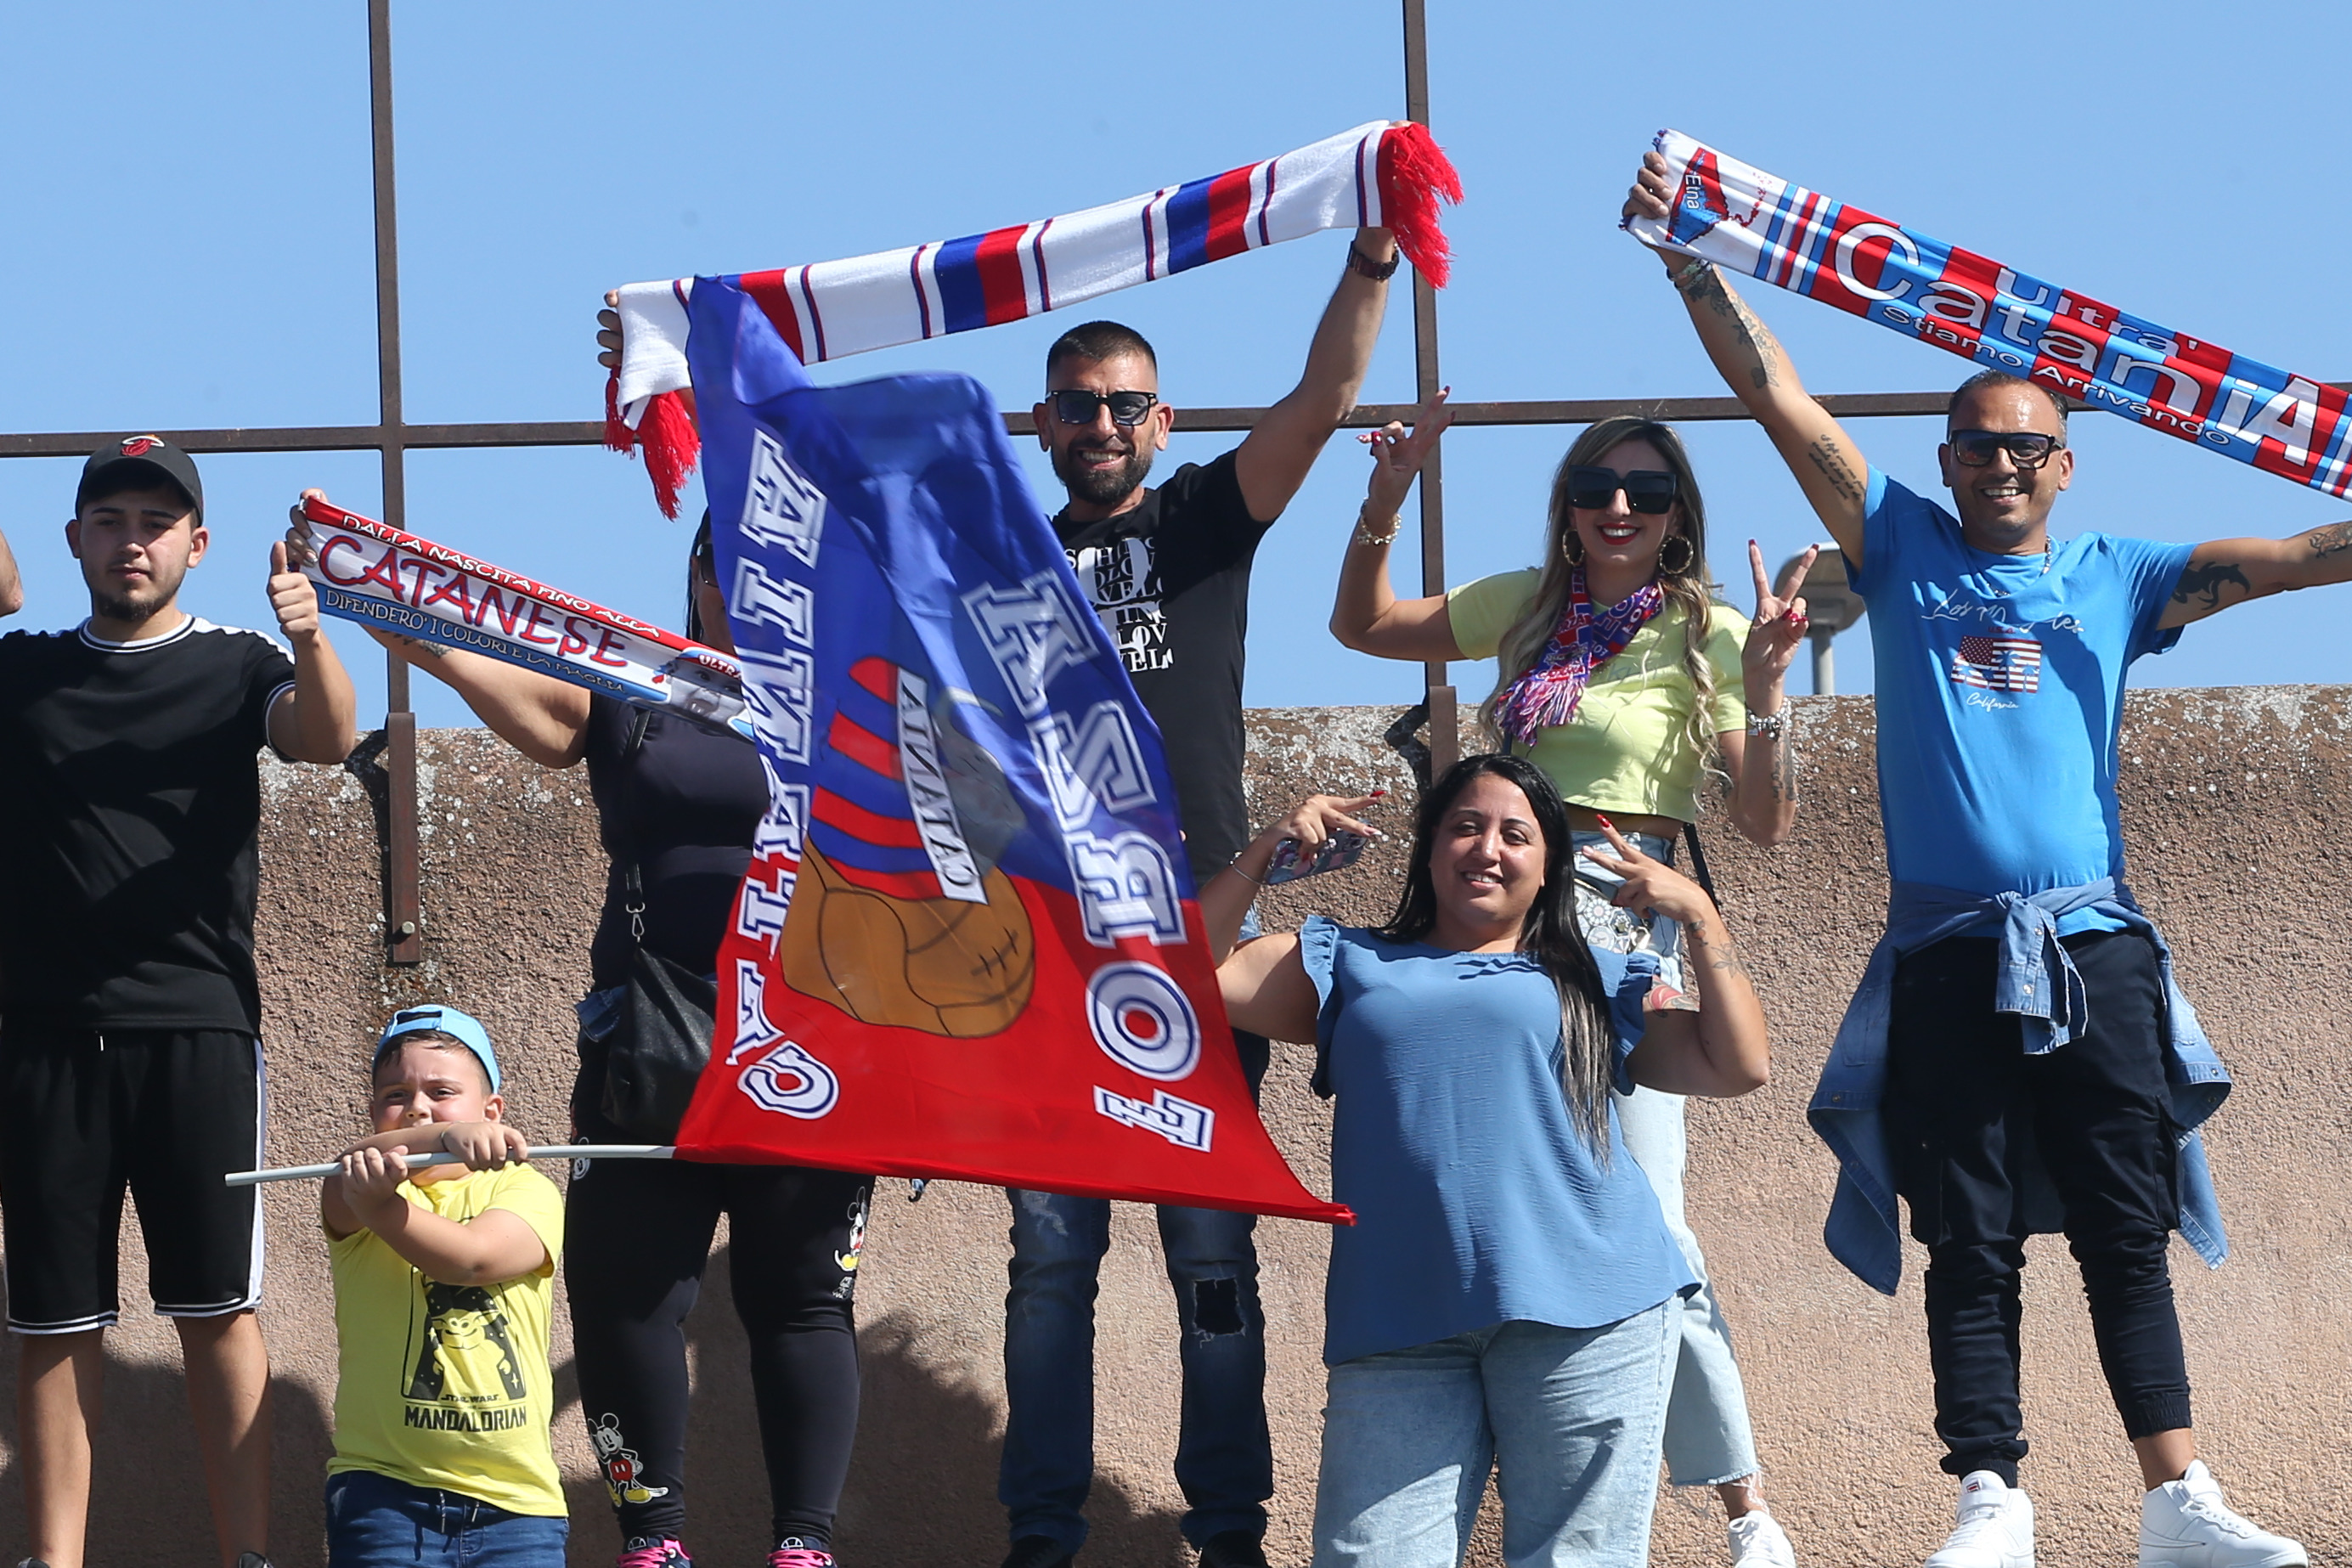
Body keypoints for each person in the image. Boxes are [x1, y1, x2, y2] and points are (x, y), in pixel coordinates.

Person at [1627, 151, 2350, 1568]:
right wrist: (1689, 261)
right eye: (1977, 444)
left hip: (2094, 948)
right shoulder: (1899, 547)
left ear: (2062, 463)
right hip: (1946, 952)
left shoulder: (2122, 575)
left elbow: (2295, 554)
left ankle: (2173, 1502)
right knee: (1963, 1236)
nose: (2002, 463)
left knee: (2119, 1225)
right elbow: (1777, 401)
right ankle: (1987, 1500)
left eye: (2027, 445)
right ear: (1945, 458)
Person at [296, 499, 871, 1568]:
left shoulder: (862, 706)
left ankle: (805, 1547)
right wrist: (413, 630)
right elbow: (548, 717)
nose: (742, 585)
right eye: (723, 563)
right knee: (626, 1294)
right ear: (696, 577)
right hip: (650, 1043)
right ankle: (654, 1543)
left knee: (800, 1297)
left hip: (811, 1040)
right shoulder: (640, 687)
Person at [1329, 397, 1816, 1568]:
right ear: (1567, 505)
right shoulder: (1526, 608)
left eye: (1646, 493)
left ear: (1676, 516)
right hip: (1505, 935)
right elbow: (1365, 624)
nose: (1617, 509)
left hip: (1623, 931)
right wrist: (1385, 497)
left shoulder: (1709, 626)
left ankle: (1745, 1502)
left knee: (1646, 1220)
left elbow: (1762, 822)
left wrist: (1761, 689)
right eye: (1597, 488)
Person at [1205, 754, 1771, 1566]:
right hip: (1398, 1322)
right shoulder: (1348, 962)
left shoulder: (1592, 978)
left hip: (1590, 1313)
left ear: (1548, 869)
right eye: (1465, 826)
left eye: (1516, 834)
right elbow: (1177, 974)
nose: (1487, 848)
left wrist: (1703, 919)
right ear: (1429, 851)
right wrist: (1261, 852)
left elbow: (1737, 1066)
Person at [0, 438, 358, 1568]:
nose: (132, 539)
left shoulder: (240, 658)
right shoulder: (26, 671)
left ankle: (246, 1554)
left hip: (201, 1028)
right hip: (45, 1036)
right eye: (108, 518)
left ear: (197, 545)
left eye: (157, 520)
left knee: (214, 1308)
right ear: (74, 541)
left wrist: (309, 630)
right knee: (53, 1321)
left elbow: (327, 737)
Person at [320, 1006, 567, 1567]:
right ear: (371, 1114)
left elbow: (473, 1262)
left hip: (518, 1508)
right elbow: (354, 1175)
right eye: (394, 1096)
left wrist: (382, 1209)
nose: (416, 1107)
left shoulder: (527, 1190)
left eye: (441, 1091)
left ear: (492, 1111)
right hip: (384, 1497)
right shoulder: (352, 1188)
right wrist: (443, 1134)